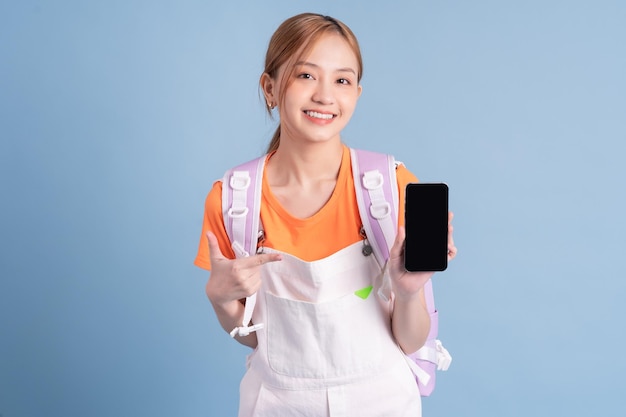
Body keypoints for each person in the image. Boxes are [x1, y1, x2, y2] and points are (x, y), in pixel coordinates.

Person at [194, 12, 457, 416]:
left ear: (356, 93)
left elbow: (410, 340)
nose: (325, 96)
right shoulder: (232, 201)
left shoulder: (391, 187)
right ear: (269, 87)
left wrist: (408, 292)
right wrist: (220, 300)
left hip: (382, 402)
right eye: (305, 76)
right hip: (277, 404)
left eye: (342, 80)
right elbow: (256, 339)